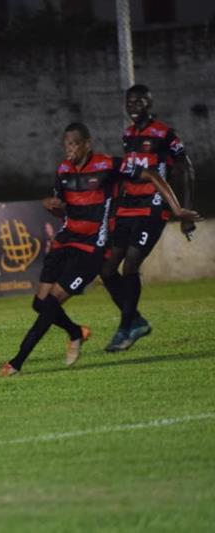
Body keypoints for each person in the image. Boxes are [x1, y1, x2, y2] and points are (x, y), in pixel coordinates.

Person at [0, 123, 199, 377]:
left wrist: (178, 209)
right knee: (39, 304)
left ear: (87, 144)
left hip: (91, 249)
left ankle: (16, 362)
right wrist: (53, 206)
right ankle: (75, 332)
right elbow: (62, 207)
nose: (69, 149)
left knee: (50, 303)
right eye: (66, 145)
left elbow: (152, 175)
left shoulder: (108, 166)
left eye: (74, 144)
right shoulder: (63, 170)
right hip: (64, 242)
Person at [101, 84, 198, 351]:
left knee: (130, 266)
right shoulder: (128, 135)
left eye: (139, 101)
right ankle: (136, 321)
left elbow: (186, 169)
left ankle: (124, 329)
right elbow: (125, 174)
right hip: (127, 208)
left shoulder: (166, 134)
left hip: (153, 208)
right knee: (106, 268)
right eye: (129, 102)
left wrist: (184, 213)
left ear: (149, 104)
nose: (133, 106)